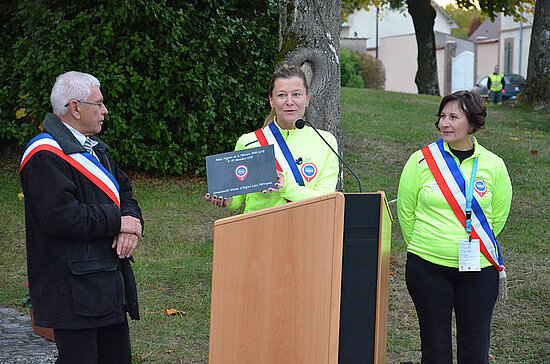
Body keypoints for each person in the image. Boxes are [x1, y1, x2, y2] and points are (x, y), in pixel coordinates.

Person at [19, 71, 144, 364]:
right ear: (75, 108)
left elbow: (124, 193)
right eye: (98, 104)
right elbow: (61, 216)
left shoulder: (96, 148)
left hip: (105, 286)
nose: (105, 110)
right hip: (73, 292)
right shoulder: (44, 155)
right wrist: (117, 221)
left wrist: (130, 224)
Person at [397, 90, 512, 363]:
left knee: (475, 351)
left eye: (453, 117)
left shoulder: (494, 165)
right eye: (442, 116)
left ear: (472, 123)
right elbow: (406, 210)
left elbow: (498, 217)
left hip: (478, 271)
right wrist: (427, 245)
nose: (444, 123)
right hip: (427, 268)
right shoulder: (421, 160)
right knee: (435, 351)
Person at [205, 64, 339, 212]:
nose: (289, 102)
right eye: (281, 95)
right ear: (271, 101)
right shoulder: (249, 141)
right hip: (258, 229)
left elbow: (326, 199)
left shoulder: (325, 141)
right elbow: (237, 198)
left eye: (296, 94)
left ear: (306, 100)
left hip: (307, 229)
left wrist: (286, 186)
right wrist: (228, 200)